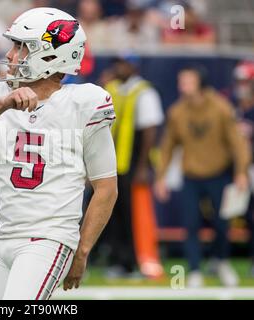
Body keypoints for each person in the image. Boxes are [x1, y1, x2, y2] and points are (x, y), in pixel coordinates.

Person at [0, 7, 118, 300]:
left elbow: (106, 187)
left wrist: (81, 252)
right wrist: (2, 104)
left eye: (21, 46)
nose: (11, 55)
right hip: (3, 236)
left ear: (50, 55)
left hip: (49, 239)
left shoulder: (82, 104)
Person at [154, 66, 251, 287]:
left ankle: (221, 262)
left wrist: (241, 172)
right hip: (191, 176)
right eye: (181, 81)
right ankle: (195, 270)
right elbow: (168, 146)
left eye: (187, 81)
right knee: (190, 224)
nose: (182, 85)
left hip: (219, 174)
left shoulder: (221, 108)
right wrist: (160, 177)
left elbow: (238, 143)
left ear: (200, 82)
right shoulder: (177, 111)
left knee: (221, 223)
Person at [101, 54, 164, 278]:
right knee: (114, 215)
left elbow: (149, 131)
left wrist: (142, 167)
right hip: (114, 164)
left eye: (122, 64)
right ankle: (120, 262)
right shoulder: (114, 88)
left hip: (133, 163)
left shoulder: (145, 92)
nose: (118, 68)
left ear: (133, 66)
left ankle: (139, 262)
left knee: (133, 217)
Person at [232, 60, 254, 277]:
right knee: (246, 216)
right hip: (242, 168)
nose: (242, 86)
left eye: (246, 82)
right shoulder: (235, 106)